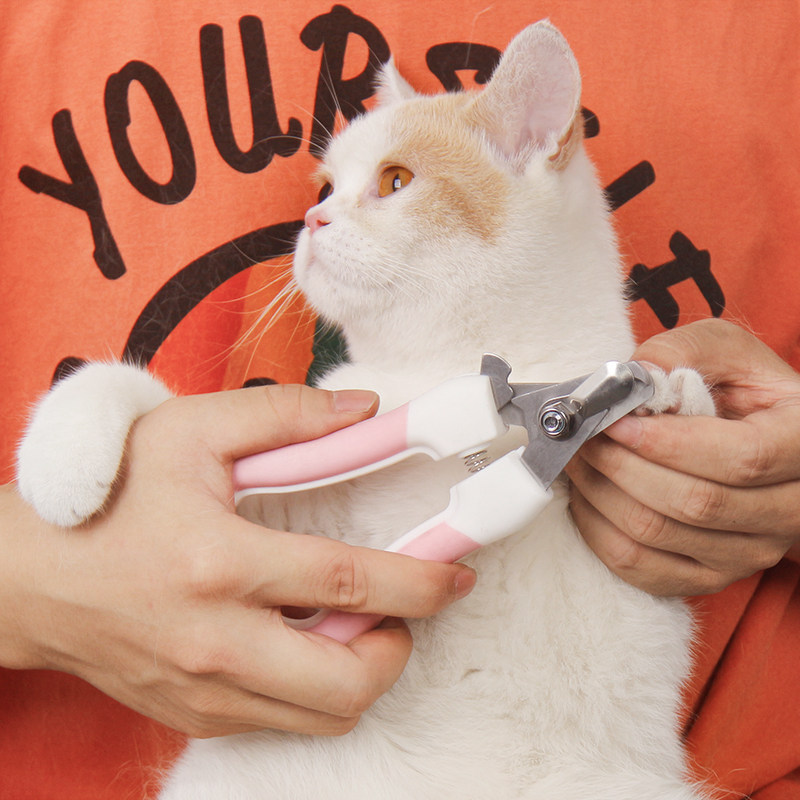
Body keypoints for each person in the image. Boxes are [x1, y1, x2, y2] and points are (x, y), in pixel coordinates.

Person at [1, 2, 798, 798]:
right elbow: (192, 525)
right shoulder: (346, 408)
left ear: (532, 142)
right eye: (328, 185)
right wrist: (47, 546)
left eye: (390, 180)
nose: (320, 214)